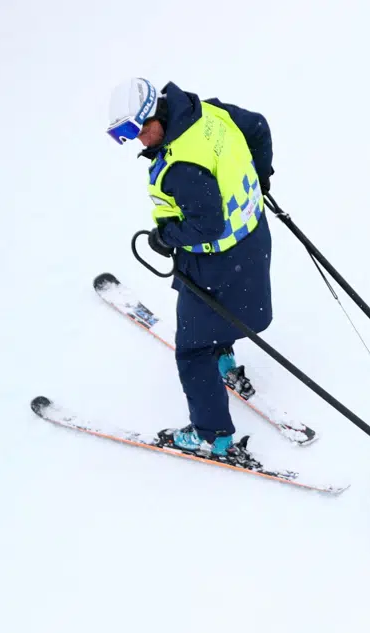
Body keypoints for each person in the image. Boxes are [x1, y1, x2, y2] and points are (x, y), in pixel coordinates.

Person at [106, 78, 274, 458]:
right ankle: (224, 355)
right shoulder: (209, 112)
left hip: (215, 260)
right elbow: (257, 126)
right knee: (226, 311)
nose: (139, 141)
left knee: (191, 351)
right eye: (125, 134)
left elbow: (208, 225)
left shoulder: (182, 166)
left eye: (137, 130)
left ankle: (212, 436)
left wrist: (166, 237)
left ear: (156, 113)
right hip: (252, 240)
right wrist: (260, 178)